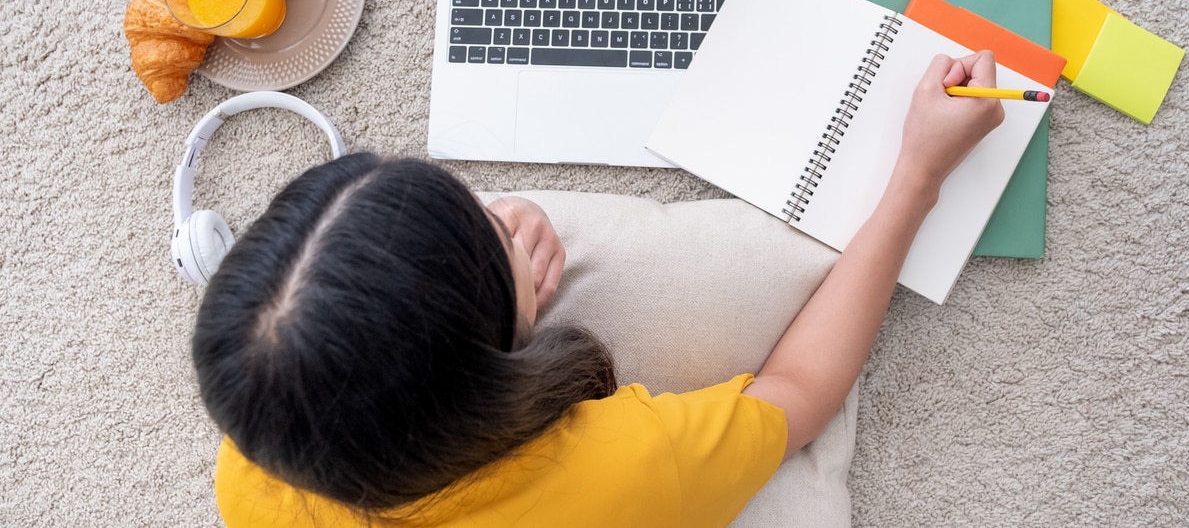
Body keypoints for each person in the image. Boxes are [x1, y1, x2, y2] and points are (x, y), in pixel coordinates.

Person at [194, 51, 1005, 527]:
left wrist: (493, 257)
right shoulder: (626, 468)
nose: (502, 216)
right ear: (492, 372)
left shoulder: (251, 470)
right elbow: (802, 391)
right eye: (491, 231)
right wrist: (918, 176)